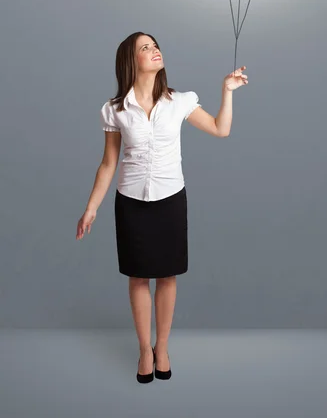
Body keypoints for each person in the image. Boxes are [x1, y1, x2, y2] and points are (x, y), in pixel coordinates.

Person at [75, 31, 248, 383]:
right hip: (131, 202)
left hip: (170, 200)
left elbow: (220, 129)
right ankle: (143, 349)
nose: (154, 51)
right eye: (145, 48)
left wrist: (226, 92)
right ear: (130, 61)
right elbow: (108, 163)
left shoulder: (179, 101)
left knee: (167, 275)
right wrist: (91, 207)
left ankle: (163, 347)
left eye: (155, 46)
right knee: (138, 275)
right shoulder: (116, 109)